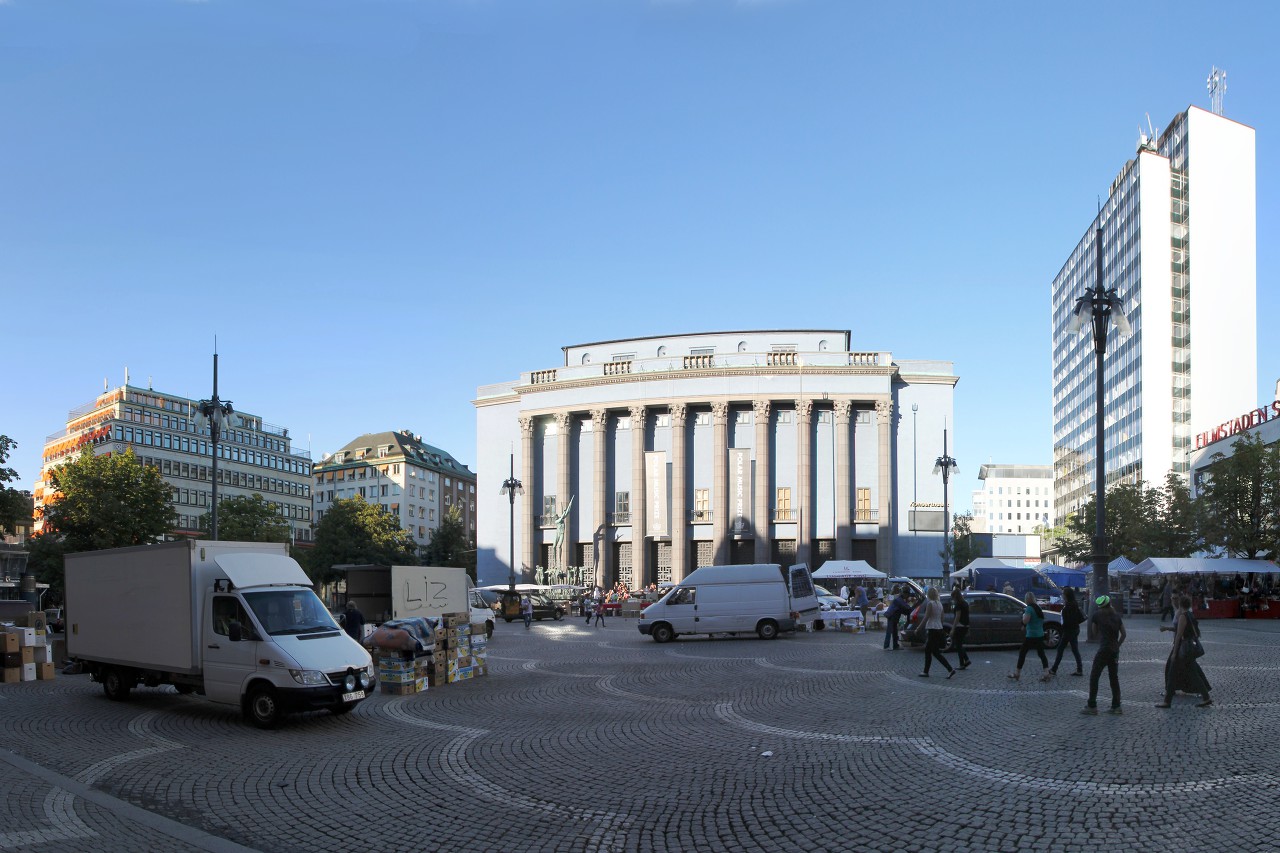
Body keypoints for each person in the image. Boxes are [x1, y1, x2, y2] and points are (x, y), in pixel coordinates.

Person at [1156, 595, 1213, 708]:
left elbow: (1179, 635)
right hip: (1189, 648)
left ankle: (1167, 701)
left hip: (1184, 648)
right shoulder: (1190, 615)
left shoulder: (1183, 616)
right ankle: (1206, 697)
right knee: (1193, 673)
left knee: (1172, 672)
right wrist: (1168, 629)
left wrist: (1174, 652)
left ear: (1181, 604)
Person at [1082, 594, 1127, 715]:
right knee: (1114, 678)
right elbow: (1124, 634)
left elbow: (1094, 632)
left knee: (1094, 676)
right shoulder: (1117, 616)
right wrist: (1117, 645)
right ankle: (1116, 706)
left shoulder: (1097, 615)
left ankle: (1092, 705)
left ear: (1100, 605)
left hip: (1104, 649)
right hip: (1114, 650)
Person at [1044, 587, 1084, 679]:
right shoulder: (1074, 604)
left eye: (1063, 594)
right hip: (1075, 629)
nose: (1062, 595)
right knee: (1074, 649)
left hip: (1069, 631)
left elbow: (1066, 621)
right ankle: (1079, 669)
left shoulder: (1068, 607)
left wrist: (1063, 628)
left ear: (1066, 596)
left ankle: (1054, 669)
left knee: (1061, 649)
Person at [1008, 592, 1048, 681]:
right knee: (1041, 654)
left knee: (1022, 653)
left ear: (1026, 599)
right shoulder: (1038, 608)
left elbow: (1025, 621)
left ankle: (1017, 673)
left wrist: (1023, 619)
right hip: (1040, 634)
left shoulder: (1029, 608)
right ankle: (1046, 673)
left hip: (1031, 635)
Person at [919, 587, 956, 678]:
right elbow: (942, 617)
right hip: (939, 628)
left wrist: (919, 628)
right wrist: (939, 625)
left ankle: (926, 671)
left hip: (932, 628)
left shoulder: (930, 604)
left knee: (929, 651)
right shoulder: (939, 604)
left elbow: (926, 617)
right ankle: (948, 669)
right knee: (934, 652)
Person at [949, 587, 971, 670]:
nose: (953, 599)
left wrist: (953, 629)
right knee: (959, 644)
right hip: (965, 625)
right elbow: (967, 616)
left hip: (960, 626)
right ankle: (965, 660)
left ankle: (963, 662)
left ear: (955, 597)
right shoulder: (965, 603)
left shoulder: (958, 604)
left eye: (953, 597)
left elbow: (957, 617)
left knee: (958, 645)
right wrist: (969, 627)